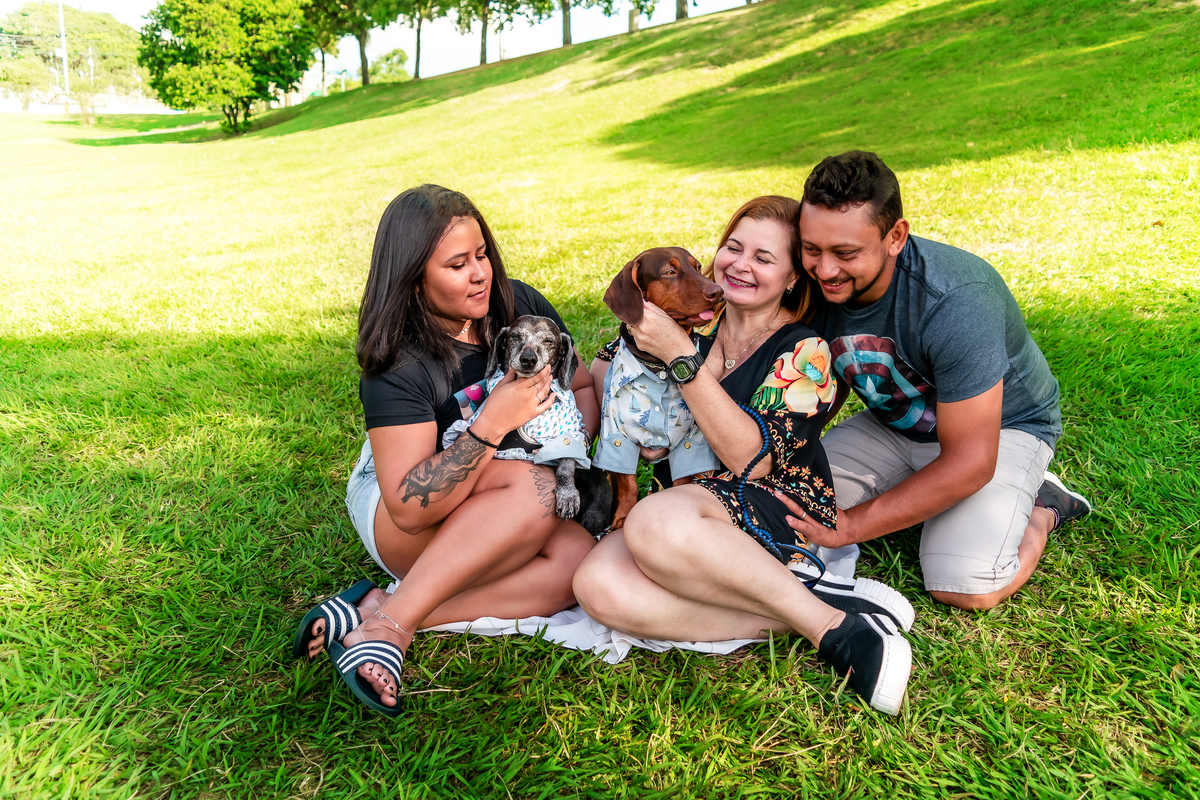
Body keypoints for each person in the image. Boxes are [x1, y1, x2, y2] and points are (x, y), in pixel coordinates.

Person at [574, 196, 916, 715]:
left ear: (793, 278)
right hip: (692, 520)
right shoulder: (690, 328)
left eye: (764, 257)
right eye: (733, 248)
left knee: (651, 520)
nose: (739, 264)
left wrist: (680, 359)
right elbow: (607, 379)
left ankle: (837, 632)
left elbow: (751, 462)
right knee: (596, 586)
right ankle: (813, 606)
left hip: (777, 509)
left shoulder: (808, 354)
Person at [293, 185, 597, 716]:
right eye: (458, 264)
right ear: (414, 280)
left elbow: (585, 389)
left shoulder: (518, 304)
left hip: (511, 491)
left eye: (482, 255)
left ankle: (375, 607)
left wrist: (563, 443)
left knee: (575, 564)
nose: (480, 273)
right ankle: (391, 631)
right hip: (405, 506)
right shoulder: (399, 362)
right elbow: (408, 509)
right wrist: (493, 424)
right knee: (533, 488)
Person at [783, 151, 1093, 612]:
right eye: (813, 249)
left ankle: (1045, 505)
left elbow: (970, 461)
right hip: (896, 419)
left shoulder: (956, 298)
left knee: (967, 584)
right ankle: (925, 492)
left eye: (846, 254)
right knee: (783, 514)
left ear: (896, 236)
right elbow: (827, 372)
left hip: (999, 430)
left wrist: (848, 526)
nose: (825, 270)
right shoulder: (815, 280)